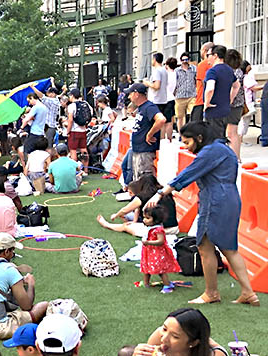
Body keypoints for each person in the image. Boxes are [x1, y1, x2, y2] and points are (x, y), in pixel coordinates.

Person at [147, 121, 257, 305]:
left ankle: (211, 293)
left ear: (199, 138)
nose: (186, 147)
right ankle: (248, 292)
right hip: (230, 198)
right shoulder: (222, 147)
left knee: (205, 246)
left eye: (188, 142)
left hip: (215, 200)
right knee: (230, 249)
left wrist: (161, 193)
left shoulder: (210, 151)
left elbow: (189, 172)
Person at [96, 174, 177, 237]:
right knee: (132, 217)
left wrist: (115, 215)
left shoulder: (143, 195)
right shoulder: (165, 192)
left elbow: (125, 210)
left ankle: (107, 224)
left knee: (125, 226)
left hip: (160, 230)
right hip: (174, 228)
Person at [137, 205, 181, 293]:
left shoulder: (158, 229)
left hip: (157, 252)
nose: (144, 220)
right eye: (144, 217)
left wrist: (148, 242)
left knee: (160, 270)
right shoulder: (148, 228)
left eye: (148, 218)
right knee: (146, 268)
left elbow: (161, 241)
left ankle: (167, 286)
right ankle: (146, 283)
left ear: (156, 219)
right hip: (148, 252)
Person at [126, 83, 165, 181]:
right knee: (138, 178)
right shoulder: (141, 107)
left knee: (145, 179)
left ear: (136, 94)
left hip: (145, 150)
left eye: (130, 94)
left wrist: (149, 134)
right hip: (139, 149)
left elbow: (161, 119)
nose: (129, 97)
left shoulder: (149, 107)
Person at [202, 45, 238, 140]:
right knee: (221, 136)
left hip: (213, 111)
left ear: (215, 56)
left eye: (208, 55)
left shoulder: (212, 71)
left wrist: (207, 103)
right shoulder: (229, 70)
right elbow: (236, 85)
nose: (207, 57)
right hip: (225, 110)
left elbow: (210, 88)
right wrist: (230, 99)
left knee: (213, 139)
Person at [225, 49, 246, 156]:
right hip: (238, 104)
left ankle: (235, 156)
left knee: (232, 132)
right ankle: (236, 156)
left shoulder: (234, 72)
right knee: (233, 131)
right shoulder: (239, 71)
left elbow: (234, 88)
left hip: (233, 104)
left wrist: (228, 101)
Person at [191, 43, 215, 122]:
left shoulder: (202, 64)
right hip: (213, 99)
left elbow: (203, 82)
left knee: (195, 126)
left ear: (205, 51)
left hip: (201, 99)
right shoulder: (216, 65)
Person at [174, 53, 197, 132]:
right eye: (183, 60)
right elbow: (174, 82)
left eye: (186, 60)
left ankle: (190, 132)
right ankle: (181, 133)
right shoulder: (177, 71)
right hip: (180, 96)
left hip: (192, 95)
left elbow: (196, 80)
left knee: (192, 114)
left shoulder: (194, 69)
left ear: (189, 60)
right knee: (180, 117)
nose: (184, 61)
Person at [64, 89, 89, 162]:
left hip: (74, 131)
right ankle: (86, 170)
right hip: (83, 130)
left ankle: (74, 170)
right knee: (84, 149)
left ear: (72, 96)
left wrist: (68, 131)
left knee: (73, 150)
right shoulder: (86, 104)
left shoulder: (71, 106)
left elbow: (70, 120)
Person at [161, 57, 178, 139]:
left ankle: (162, 139)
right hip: (171, 97)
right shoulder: (175, 73)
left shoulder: (165, 74)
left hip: (163, 98)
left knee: (162, 121)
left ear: (167, 65)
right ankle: (169, 139)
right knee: (170, 121)